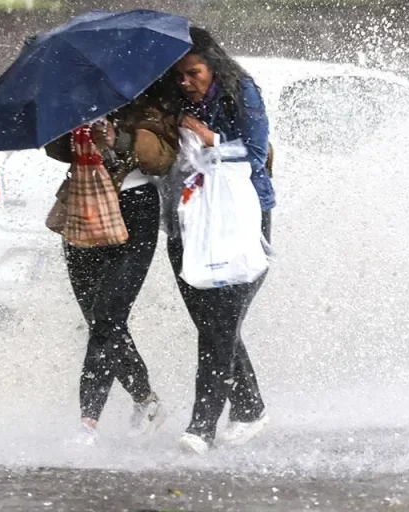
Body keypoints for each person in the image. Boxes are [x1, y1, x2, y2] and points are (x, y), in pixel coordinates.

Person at [44, 79, 181, 445]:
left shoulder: (152, 96)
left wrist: (117, 138)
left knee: (108, 315)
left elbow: (164, 158)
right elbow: (53, 148)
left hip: (136, 211)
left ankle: (88, 423)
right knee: (98, 319)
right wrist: (70, 128)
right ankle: (147, 400)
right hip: (84, 205)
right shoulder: (76, 96)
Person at [164, 26, 276, 455]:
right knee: (212, 324)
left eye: (193, 73)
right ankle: (250, 409)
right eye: (179, 76)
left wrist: (211, 140)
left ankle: (201, 426)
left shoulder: (240, 91)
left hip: (240, 217)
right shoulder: (171, 102)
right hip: (188, 220)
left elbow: (256, 149)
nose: (186, 83)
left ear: (214, 66)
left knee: (221, 323)